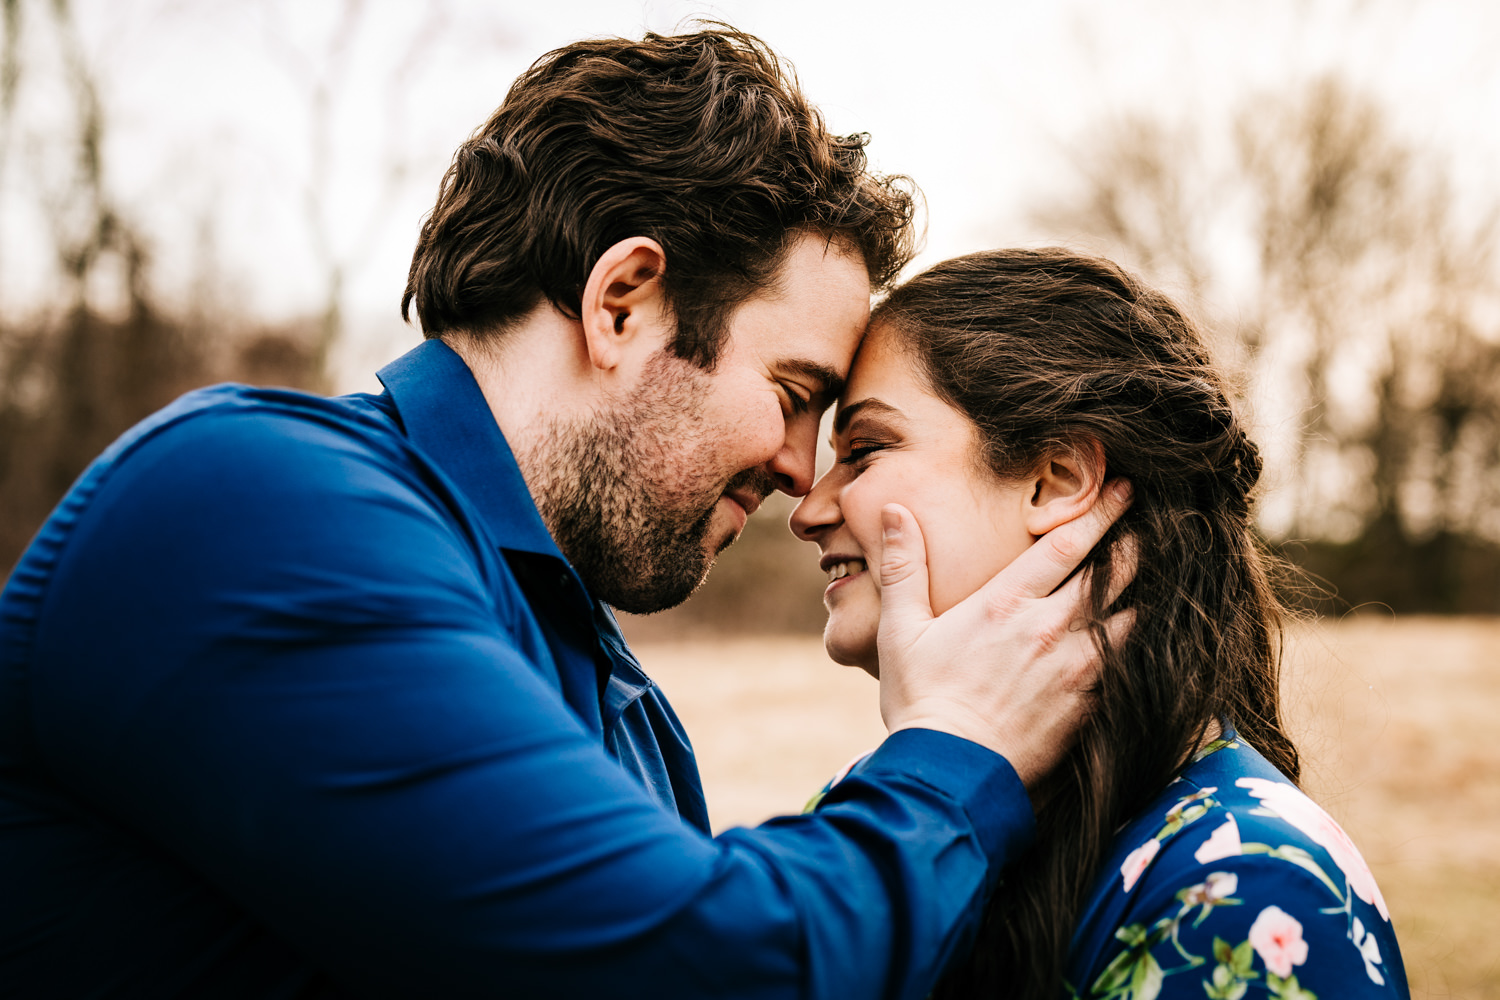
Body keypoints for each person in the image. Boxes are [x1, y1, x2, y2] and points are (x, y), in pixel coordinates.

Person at [0, 28, 1129, 1000]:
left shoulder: (616, 696)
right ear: (624, 303)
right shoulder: (249, 509)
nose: (801, 472)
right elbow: (693, 974)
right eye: (792, 397)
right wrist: (958, 753)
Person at [792, 248, 1409, 999]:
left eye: (863, 450)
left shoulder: (1247, 889)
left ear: (1057, 481)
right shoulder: (873, 810)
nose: (808, 510)